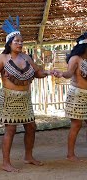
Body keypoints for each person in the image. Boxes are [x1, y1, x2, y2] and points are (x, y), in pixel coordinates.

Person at [0, 16, 50, 172]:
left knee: (31, 127)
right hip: (9, 98)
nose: (20, 43)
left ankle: (28, 156)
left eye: (21, 41)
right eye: (17, 41)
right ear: (9, 43)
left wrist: (47, 72)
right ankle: (6, 163)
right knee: (10, 129)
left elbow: (37, 72)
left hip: (25, 98)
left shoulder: (26, 57)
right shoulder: (2, 58)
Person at [53, 32, 87, 162]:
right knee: (76, 125)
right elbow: (68, 73)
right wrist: (61, 74)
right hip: (77, 95)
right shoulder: (75, 59)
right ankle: (70, 154)